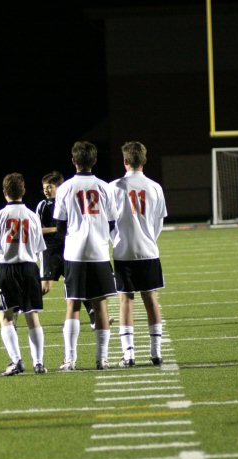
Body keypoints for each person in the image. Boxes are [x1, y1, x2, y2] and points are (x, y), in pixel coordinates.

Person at [53, 141, 118, 371]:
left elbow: (60, 226)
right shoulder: (105, 187)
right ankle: (102, 360)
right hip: (99, 251)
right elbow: (112, 222)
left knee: (73, 306)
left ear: (74, 161)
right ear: (95, 160)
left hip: (75, 252)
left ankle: (70, 360)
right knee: (101, 307)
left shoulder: (65, 188)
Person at [107, 141, 167, 367]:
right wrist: (149, 239)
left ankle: (129, 354)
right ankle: (156, 353)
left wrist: (117, 241)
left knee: (126, 301)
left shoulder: (113, 187)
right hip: (148, 251)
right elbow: (159, 222)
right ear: (144, 160)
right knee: (151, 300)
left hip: (124, 251)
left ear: (124, 161)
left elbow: (109, 222)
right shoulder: (155, 187)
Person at [38, 170, 110, 332]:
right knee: (44, 288)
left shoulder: (67, 199)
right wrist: (57, 229)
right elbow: (38, 229)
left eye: (50, 187)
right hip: (50, 251)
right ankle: (19, 307)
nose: (46, 190)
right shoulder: (43, 206)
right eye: (45, 187)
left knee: (77, 287)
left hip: (69, 249)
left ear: (59, 187)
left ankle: (93, 318)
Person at [0, 173, 47, 375]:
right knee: (32, 317)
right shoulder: (33, 216)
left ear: (5, 192)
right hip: (30, 268)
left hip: (7, 268)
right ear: (23, 191)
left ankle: (16, 361)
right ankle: (39, 363)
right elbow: (40, 248)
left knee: (6, 317)